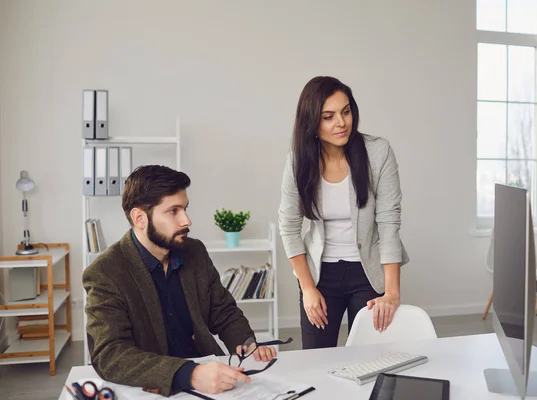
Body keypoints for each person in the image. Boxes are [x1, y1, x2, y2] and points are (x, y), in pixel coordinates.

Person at [83, 165, 277, 396]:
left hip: (210, 376)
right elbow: (110, 354)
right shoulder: (105, 272)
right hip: (156, 385)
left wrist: (246, 342)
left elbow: (222, 310)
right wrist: (190, 374)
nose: (187, 220)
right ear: (139, 218)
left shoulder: (194, 251)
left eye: (185, 208)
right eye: (173, 211)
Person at [278, 76, 410, 349]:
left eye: (346, 111)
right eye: (329, 116)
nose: (341, 122)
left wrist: (392, 292)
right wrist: (308, 289)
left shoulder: (378, 152)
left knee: (371, 357)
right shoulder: (298, 160)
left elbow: (388, 223)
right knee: (315, 359)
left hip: (368, 272)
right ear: (312, 121)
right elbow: (289, 226)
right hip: (319, 275)